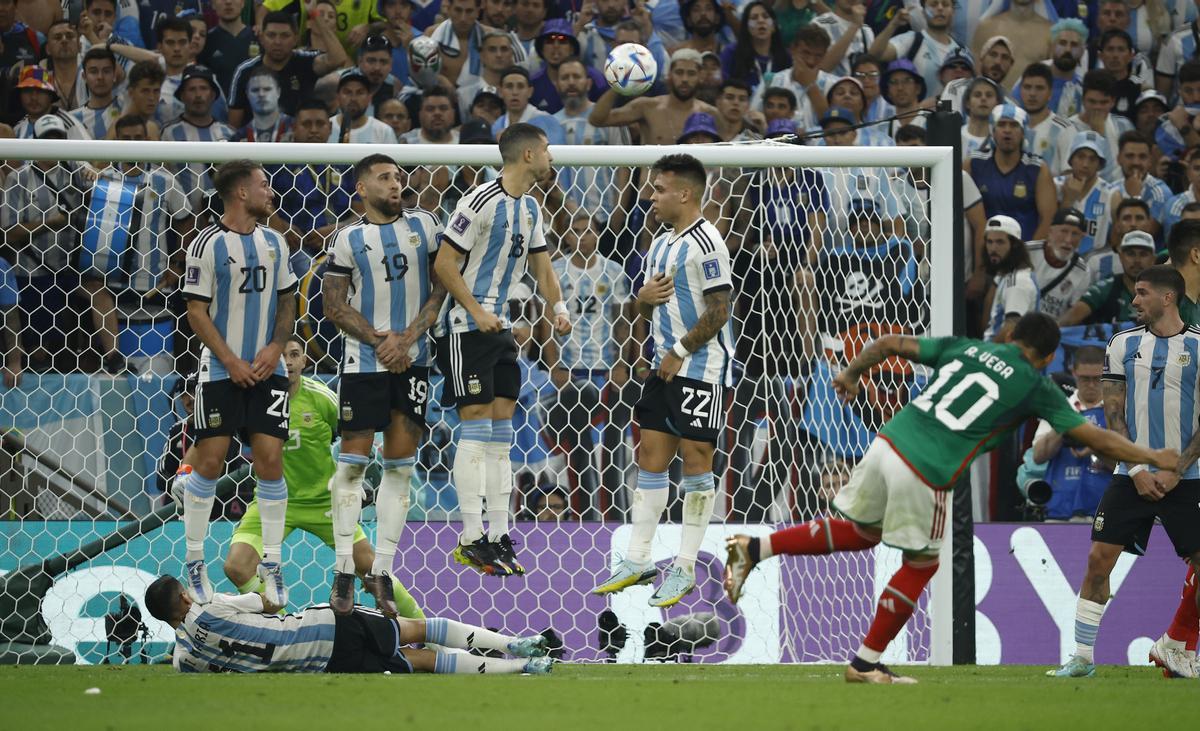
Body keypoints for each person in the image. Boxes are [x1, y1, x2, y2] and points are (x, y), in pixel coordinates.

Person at [723, 312, 1177, 684]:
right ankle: (865, 663)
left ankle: (754, 547)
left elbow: (889, 343)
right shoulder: (1035, 387)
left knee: (864, 534)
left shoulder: (967, 347)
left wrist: (850, 372)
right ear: (1052, 356)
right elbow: (1096, 439)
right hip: (928, 466)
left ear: (1010, 335)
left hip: (887, 442)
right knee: (922, 562)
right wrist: (1151, 454)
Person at [592, 153, 735, 608]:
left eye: (658, 189)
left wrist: (678, 352)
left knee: (695, 459)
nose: (650, 196)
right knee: (650, 456)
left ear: (685, 193)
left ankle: (686, 567)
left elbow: (719, 311)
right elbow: (651, 305)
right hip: (662, 367)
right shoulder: (659, 243)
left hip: (699, 368)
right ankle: (637, 560)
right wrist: (642, 300)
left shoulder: (708, 241)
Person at [432, 123, 571, 576]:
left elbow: (543, 268)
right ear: (528, 155)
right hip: (466, 327)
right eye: (547, 149)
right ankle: (470, 535)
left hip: (504, 329)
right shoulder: (477, 201)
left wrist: (559, 308)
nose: (552, 157)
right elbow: (444, 264)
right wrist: (474, 310)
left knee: (500, 437)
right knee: (474, 428)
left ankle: (496, 534)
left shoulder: (530, 208)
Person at [1050, 265, 1200, 679]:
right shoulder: (1122, 344)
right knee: (1099, 560)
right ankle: (1081, 657)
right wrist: (1135, 468)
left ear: (1168, 298)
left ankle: (1185, 649)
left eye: (1142, 293)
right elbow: (1113, 414)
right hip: (1130, 476)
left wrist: (1176, 469)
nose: (1134, 300)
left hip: (1187, 478)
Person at [222, 335, 424, 620]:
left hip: (325, 502)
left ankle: (425, 629)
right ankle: (283, 623)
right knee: (236, 566)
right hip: (275, 501)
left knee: (374, 572)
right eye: (282, 355)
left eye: (294, 354)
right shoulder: (255, 400)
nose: (288, 362)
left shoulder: (321, 398)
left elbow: (353, 438)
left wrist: (357, 480)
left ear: (305, 360)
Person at [321, 155, 446, 615]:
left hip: (414, 360)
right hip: (363, 362)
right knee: (352, 467)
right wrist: (380, 341)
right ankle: (343, 572)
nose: (396, 184)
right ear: (360, 188)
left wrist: (408, 337)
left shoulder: (428, 226)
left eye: (398, 177)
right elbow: (333, 305)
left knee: (399, 469)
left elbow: (443, 286)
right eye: (385, 178)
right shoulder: (347, 238)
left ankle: (384, 571)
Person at [176, 159, 298, 607]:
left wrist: (276, 347)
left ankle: (272, 563)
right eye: (264, 185)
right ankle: (194, 561)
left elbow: (288, 300)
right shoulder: (206, 244)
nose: (271, 192)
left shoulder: (275, 242)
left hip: (269, 369)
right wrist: (230, 360)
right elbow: (196, 312)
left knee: (269, 460)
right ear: (241, 193)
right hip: (221, 370)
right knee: (209, 461)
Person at [144, 574, 552, 675]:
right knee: (416, 629)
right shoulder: (212, 604)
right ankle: (515, 644)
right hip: (324, 627)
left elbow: (180, 660)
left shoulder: (189, 656)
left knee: (422, 661)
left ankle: (523, 668)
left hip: (322, 663)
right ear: (184, 596)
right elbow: (266, 604)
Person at [81, 114, 192, 375]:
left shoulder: (164, 180)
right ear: (116, 141)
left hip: (154, 283)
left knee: (157, 369)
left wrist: (178, 264)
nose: (132, 144)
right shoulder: (103, 178)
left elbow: (186, 223)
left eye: (138, 139)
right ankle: (113, 362)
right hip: (112, 281)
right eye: (126, 139)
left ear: (148, 140)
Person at [543, 213, 632, 514]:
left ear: (597, 235)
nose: (582, 237)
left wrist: (622, 363)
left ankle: (613, 511)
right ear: (567, 237)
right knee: (578, 448)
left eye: (588, 231)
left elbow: (623, 320)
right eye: (576, 231)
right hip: (570, 370)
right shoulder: (556, 270)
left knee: (611, 448)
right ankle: (583, 511)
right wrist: (554, 366)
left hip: (606, 368)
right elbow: (546, 319)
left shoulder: (613, 271)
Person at [1029, 346, 1111, 522]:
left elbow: (1130, 466)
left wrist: (1096, 446)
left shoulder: (1119, 411)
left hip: (1108, 510)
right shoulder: (1058, 407)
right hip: (1060, 508)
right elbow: (1038, 456)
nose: (1091, 385)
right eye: (1085, 379)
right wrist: (1065, 425)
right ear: (1074, 373)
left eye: (1097, 379)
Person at [228, 10, 349, 128]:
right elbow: (234, 125)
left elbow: (338, 58)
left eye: (285, 35)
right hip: (256, 144)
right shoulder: (245, 71)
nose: (277, 42)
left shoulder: (305, 61)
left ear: (295, 39)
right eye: (271, 35)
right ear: (262, 38)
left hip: (297, 144)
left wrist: (315, 14)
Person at [967, 103, 1056, 241]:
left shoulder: (1038, 169)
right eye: (1002, 124)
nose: (1007, 130)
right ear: (993, 130)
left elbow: (1047, 220)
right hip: (983, 251)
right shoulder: (973, 164)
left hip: (1023, 252)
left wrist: (1028, 256)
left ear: (1023, 132)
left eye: (1014, 125)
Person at [161, 65, 236, 212]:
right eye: (192, 89)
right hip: (181, 220)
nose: (198, 94)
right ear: (182, 96)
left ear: (213, 94)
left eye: (203, 88)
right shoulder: (169, 133)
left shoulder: (229, 133)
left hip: (223, 218)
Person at [869, 0, 964, 96]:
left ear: (953, 11)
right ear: (923, 11)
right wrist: (893, 24)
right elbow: (874, 54)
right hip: (916, 111)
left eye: (945, 4)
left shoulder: (961, 52)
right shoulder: (911, 40)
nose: (939, 8)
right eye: (933, 4)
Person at [1062, 230, 1158, 326]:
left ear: (1153, 259)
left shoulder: (1163, 291)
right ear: (1121, 257)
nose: (1137, 260)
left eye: (1143, 254)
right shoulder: (1105, 288)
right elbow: (1070, 319)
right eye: (1131, 254)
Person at [1024, 208, 1091, 321]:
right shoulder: (1026, 253)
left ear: (1081, 239)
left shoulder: (1083, 272)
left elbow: (1072, 313)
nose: (1068, 240)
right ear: (1050, 232)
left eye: (1075, 234)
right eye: (1064, 231)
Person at [982, 214, 1037, 342]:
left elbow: (1011, 328)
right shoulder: (1005, 274)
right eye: (989, 242)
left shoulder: (1018, 282)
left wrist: (985, 352)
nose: (993, 248)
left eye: (1000, 242)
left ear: (1015, 245)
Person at [328, 69, 398, 144]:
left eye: (360, 93)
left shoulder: (383, 132)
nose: (353, 98)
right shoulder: (326, 127)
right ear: (338, 97)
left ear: (369, 98)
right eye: (347, 92)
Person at [69, 47, 123, 139]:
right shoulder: (72, 119)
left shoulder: (125, 108)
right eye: (93, 72)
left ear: (114, 75)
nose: (100, 77)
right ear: (84, 77)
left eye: (106, 71)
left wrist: (109, 45)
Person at [234, 67, 294, 143]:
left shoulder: (295, 128)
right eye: (255, 90)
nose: (261, 94)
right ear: (247, 94)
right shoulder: (239, 137)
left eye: (267, 89)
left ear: (278, 92)